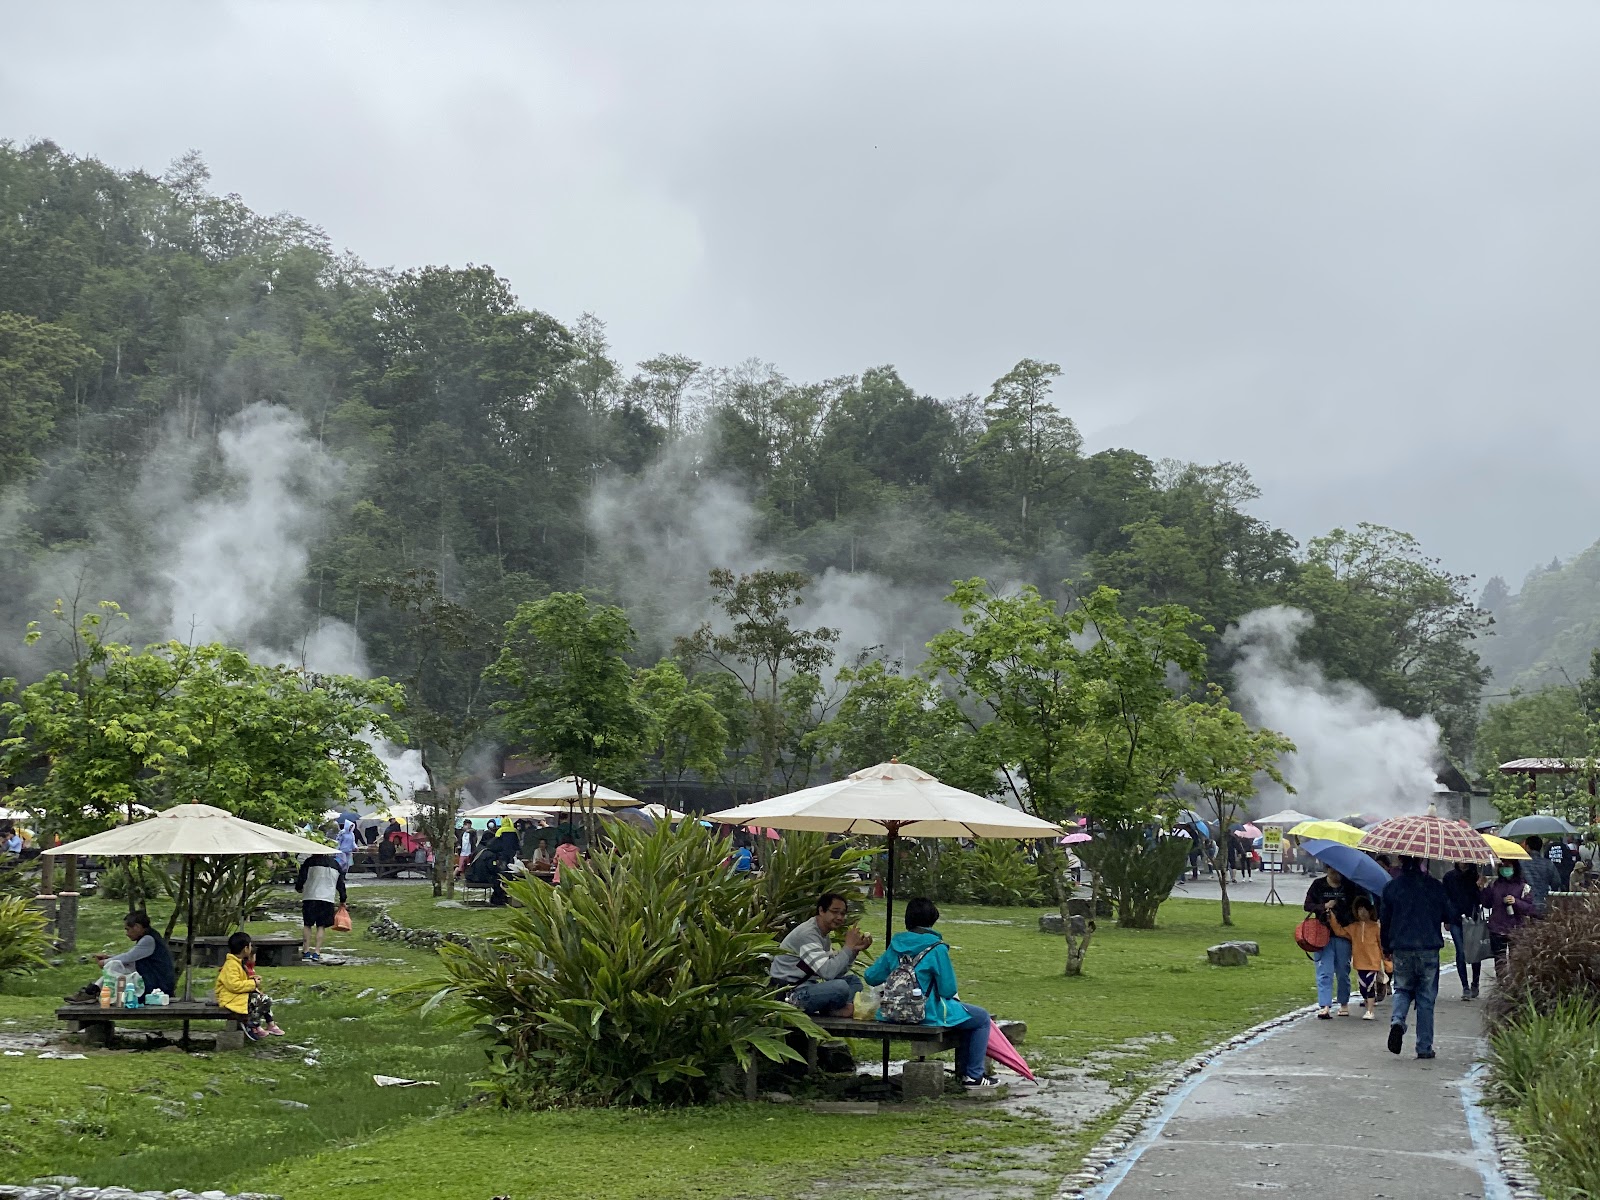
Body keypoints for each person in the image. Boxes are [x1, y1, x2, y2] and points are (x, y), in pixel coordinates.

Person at [864, 897, 995, 1089]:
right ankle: (974, 1075)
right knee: (981, 1017)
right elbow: (948, 990)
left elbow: (871, 977)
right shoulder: (937, 948)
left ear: (908, 920)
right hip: (928, 1014)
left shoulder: (895, 946)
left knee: (971, 1017)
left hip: (892, 1013)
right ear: (933, 919)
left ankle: (970, 1074)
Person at [1380, 856, 1454, 1060]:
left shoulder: (1392, 888)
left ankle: (1397, 1021)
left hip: (1401, 947)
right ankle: (1424, 1046)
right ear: (1422, 860)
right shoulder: (1435, 887)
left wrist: (1386, 947)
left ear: (1401, 860)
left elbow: (1385, 920)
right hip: (1428, 947)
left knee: (1402, 989)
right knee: (1426, 998)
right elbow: (1449, 915)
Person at [770, 893, 873, 1015]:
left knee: (853, 981)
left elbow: (836, 972)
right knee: (840, 986)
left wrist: (854, 951)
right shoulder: (807, 934)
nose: (839, 917)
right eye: (835, 912)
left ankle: (835, 1010)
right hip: (791, 993)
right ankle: (835, 1010)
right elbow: (828, 973)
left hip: (807, 987)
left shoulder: (822, 935)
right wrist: (848, 947)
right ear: (821, 911)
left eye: (843, 913)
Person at [64, 909, 176, 1004]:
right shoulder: (150, 937)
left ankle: (92, 992)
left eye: (127, 929)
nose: (126, 933)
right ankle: (93, 990)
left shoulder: (148, 940)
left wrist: (105, 962)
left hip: (157, 987)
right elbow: (132, 957)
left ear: (137, 927)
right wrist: (109, 957)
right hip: (154, 981)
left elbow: (129, 957)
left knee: (115, 966)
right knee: (118, 966)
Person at [1304, 866, 1358, 1018]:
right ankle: (1325, 1005)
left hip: (1343, 935)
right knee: (1324, 971)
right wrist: (1323, 906)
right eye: (1333, 871)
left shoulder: (1349, 886)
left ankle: (1343, 1003)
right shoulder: (1318, 885)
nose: (1336, 874)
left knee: (1343, 971)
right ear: (1327, 869)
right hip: (1322, 935)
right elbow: (1307, 905)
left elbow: (1355, 908)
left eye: (1339, 871)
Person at [216, 932, 283, 1041]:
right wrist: (253, 983)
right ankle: (251, 1024)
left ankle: (256, 1024)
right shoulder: (231, 965)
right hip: (230, 998)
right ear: (246, 948)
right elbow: (234, 985)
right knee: (263, 1000)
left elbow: (240, 981)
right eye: (250, 946)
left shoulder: (237, 963)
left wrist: (252, 979)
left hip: (235, 996)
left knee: (263, 998)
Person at [1328, 894, 1386, 1020]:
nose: (1362, 913)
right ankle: (1367, 1002)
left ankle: (1370, 1010)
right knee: (1363, 988)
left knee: (1370, 986)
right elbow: (1340, 931)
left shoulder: (1376, 927)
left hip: (1373, 962)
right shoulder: (1354, 927)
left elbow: (1381, 944)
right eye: (1360, 910)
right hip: (1360, 963)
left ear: (1370, 911)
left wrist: (1386, 961)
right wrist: (1331, 917)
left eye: (1365, 910)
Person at [1480, 860, 1535, 977]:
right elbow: (1487, 904)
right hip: (1497, 928)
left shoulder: (1523, 886)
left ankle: (1514, 984)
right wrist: (1484, 888)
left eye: (1508, 866)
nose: (1505, 869)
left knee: (1516, 961)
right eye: (1502, 866)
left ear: (1514, 867)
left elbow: (1529, 908)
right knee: (1500, 962)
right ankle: (1501, 983)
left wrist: (1516, 902)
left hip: (1516, 928)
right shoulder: (1494, 884)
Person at [1442, 862, 1485, 999]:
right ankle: (1465, 986)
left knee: (1474, 952)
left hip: (1473, 919)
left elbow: (1481, 901)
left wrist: (1480, 887)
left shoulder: (1475, 877)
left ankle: (1475, 983)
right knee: (1460, 952)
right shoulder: (1449, 877)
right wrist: (1446, 919)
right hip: (1455, 919)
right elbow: (1445, 899)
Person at [295, 851, 347, 962]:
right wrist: (343, 899)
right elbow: (340, 883)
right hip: (327, 898)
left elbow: (302, 878)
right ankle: (317, 951)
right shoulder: (335, 864)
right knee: (321, 926)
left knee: (307, 924)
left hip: (310, 897)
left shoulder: (309, 862)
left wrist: (299, 887)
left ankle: (306, 950)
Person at [1520, 836, 1561, 913]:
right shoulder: (1548, 864)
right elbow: (1556, 882)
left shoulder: (1520, 864)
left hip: (1525, 904)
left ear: (1527, 847)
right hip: (1543, 902)